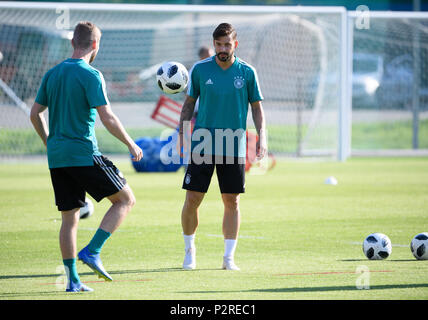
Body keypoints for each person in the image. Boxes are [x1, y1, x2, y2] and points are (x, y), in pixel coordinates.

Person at [30, 21, 143, 292]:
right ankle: (92, 251)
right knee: (126, 200)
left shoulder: (52, 73)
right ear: (95, 45)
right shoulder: (91, 74)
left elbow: (35, 114)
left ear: (72, 43)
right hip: (83, 153)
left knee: (70, 219)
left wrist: (50, 143)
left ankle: (73, 282)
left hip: (58, 157)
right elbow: (108, 117)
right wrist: (130, 143)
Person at [178, 23, 267, 271]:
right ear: (214, 44)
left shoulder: (248, 72)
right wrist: (183, 136)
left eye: (227, 44)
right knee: (193, 198)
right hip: (202, 144)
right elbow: (187, 106)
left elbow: (257, 109)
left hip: (234, 145)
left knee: (232, 201)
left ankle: (228, 259)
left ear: (235, 45)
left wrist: (263, 137)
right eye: (218, 44)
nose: (222, 49)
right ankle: (189, 251)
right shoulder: (199, 69)